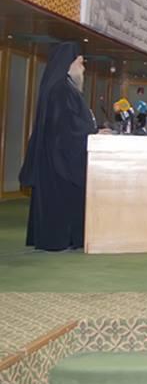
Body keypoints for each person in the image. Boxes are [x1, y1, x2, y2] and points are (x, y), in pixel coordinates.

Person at [19, 42, 100, 251]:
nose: (83, 68)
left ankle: (66, 238)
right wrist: (93, 133)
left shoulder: (65, 89)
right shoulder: (61, 91)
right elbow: (68, 128)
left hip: (59, 159)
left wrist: (94, 130)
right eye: (80, 63)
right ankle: (62, 239)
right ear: (68, 64)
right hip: (60, 162)